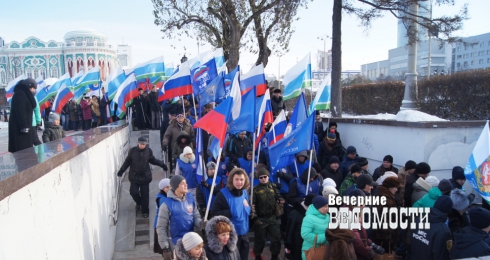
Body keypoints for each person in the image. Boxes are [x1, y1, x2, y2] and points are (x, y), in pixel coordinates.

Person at [117, 136, 168, 218]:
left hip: (145, 176)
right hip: (134, 176)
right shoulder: (132, 151)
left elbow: (153, 160)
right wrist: (121, 170)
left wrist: (162, 165)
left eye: (144, 144)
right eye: (141, 144)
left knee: (145, 195)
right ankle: (139, 202)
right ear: (138, 143)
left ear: (146, 144)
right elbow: (127, 162)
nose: (142, 146)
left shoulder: (148, 151)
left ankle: (145, 211)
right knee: (133, 192)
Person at [157, 175, 203, 258]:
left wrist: (200, 223)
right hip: (175, 243)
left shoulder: (190, 199)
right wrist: (165, 248)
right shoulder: (166, 204)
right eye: (182, 183)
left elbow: (195, 216)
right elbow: (161, 227)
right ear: (175, 186)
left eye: (185, 183)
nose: (186, 185)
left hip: (190, 242)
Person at [210, 168, 252, 260]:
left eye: (241, 179)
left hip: (244, 234)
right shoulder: (222, 194)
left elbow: (245, 207)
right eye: (236, 179)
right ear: (231, 180)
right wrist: (230, 212)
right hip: (230, 237)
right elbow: (214, 214)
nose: (239, 182)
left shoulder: (245, 192)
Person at [251, 168, 284, 260]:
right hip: (261, 218)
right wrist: (255, 218)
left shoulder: (273, 187)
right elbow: (252, 205)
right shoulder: (255, 190)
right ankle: (257, 256)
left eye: (265, 177)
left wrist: (281, 200)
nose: (263, 179)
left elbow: (279, 195)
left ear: (268, 177)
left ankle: (274, 256)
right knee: (259, 240)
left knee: (276, 239)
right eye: (261, 177)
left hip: (272, 217)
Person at [411, 195, 454, 260]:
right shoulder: (444, 231)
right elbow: (442, 255)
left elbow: (410, 244)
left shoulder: (419, 220)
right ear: (447, 211)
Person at [372, 177, 400, 253]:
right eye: (396, 187)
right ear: (390, 187)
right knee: (385, 253)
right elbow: (383, 218)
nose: (396, 190)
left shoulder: (384, 195)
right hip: (385, 235)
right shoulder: (385, 198)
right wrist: (388, 237)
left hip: (383, 234)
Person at [8, 78, 37, 153]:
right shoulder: (20, 93)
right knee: (22, 150)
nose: (34, 90)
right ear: (28, 86)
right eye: (33, 88)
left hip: (25, 127)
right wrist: (24, 126)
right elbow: (20, 110)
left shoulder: (25, 94)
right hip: (20, 128)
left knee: (26, 149)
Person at [285, 194, 316, 260]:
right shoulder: (295, 214)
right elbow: (289, 230)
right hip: (297, 243)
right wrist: (288, 245)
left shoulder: (313, 212)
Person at [154, 178, 171, 254]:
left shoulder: (166, 196)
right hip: (162, 224)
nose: (170, 188)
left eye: (170, 186)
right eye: (167, 187)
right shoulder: (161, 199)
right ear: (162, 189)